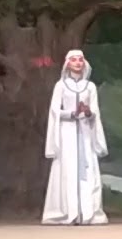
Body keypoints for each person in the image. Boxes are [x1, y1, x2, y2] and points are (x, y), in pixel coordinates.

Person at [42, 50, 109, 225]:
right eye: (74, 60)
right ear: (68, 63)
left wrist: (87, 112)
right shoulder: (61, 85)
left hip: (86, 132)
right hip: (67, 133)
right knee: (67, 170)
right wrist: (72, 113)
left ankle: (88, 214)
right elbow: (55, 110)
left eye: (80, 60)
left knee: (88, 169)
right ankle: (66, 213)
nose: (78, 63)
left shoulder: (90, 86)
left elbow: (95, 111)